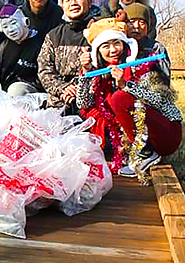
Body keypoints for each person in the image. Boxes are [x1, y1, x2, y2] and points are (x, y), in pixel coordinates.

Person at [77, 18, 182, 177]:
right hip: (131, 138)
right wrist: (84, 74)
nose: (113, 50)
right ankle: (131, 153)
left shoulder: (140, 64)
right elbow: (83, 103)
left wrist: (125, 85)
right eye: (105, 46)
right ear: (97, 51)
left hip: (166, 131)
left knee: (119, 98)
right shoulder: (98, 73)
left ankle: (145, 153)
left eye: (116, 43)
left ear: (125, 44)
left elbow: (159, 100)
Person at [38, 0, 100, 111]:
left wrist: (79, 89)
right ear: (63, 6)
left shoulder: (101, 32)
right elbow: (44, 70)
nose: (73, 3)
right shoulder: (54, 35)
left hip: (93, 101)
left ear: (89, 2)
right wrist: (63, 88)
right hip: (59, 101)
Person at [125, 2, 170, 82]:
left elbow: (165, 80)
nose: (136, 26)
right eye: (131, 22)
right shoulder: (118, 47)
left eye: (142, 22)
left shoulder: (156, 48)